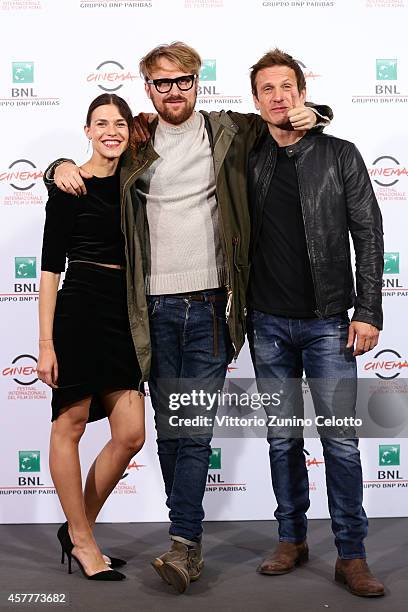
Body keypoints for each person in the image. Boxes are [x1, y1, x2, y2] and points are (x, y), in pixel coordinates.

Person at [43, 42, 331, 594]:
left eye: (184, 81)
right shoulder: (135, 143)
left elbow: (281, 119)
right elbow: (91, 172)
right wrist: (56, 168)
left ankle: (184, 544)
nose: (174, 90)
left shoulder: (229, 132)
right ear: (147, 89)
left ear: (198, 82)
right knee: (169, 434)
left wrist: (316, 114)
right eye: (162, 83)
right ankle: (142, 535)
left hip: (211, 307)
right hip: (146, 311)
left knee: (194, 430)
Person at [246, 49, 384, 597]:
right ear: (256, 101)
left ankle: (351, 553)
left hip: (330, 322)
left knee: (341, 443)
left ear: (303, 93)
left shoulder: (340, 154)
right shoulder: (249, 156)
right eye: (267, 89)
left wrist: (368, 310)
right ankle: (292, 538)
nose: (278, 96)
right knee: (282, 439)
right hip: (267, 323)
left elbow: (368, 235)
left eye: (287, 87)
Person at [38, 93, 146, 581]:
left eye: (119, 123)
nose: (111, 131)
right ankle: (83, 541)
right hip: (79, 308)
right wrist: (45, 344)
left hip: (125, 312)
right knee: (71, 425)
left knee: (130, 434)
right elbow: (48, 270)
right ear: (86, 130)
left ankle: (76, 528)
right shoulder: (69, 185)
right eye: (101, 123)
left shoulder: (136, 182)